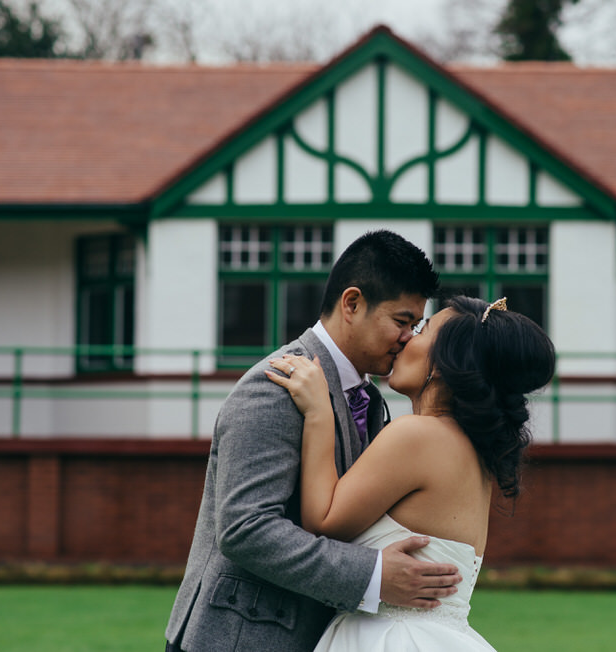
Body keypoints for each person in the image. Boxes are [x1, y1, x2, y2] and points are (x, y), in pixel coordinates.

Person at [165, 230, 461, 652]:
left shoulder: (372, 400)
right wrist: (373, 575)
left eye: (415, 325)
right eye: (401, 321)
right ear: (352, 304)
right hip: (240, 638)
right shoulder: (274, 386)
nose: (409, 338)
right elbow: (246, 529)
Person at [266, 295, 556, 651]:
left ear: (446, 362)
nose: (405, 338)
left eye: (422, 329)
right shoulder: (469, 450)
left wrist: (319, 414)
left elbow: (322, 520)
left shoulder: (418, 435)